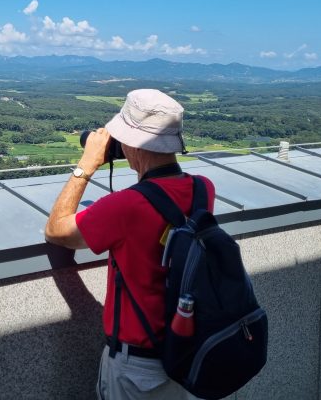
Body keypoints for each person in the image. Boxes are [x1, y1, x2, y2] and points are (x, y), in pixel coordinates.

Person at [45, 89, 215, 400]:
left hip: (138, 370)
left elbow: (57, 230)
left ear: (132, 143)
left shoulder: (126, 207)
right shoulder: (204, 190)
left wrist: (86, 165)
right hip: (188, 353)